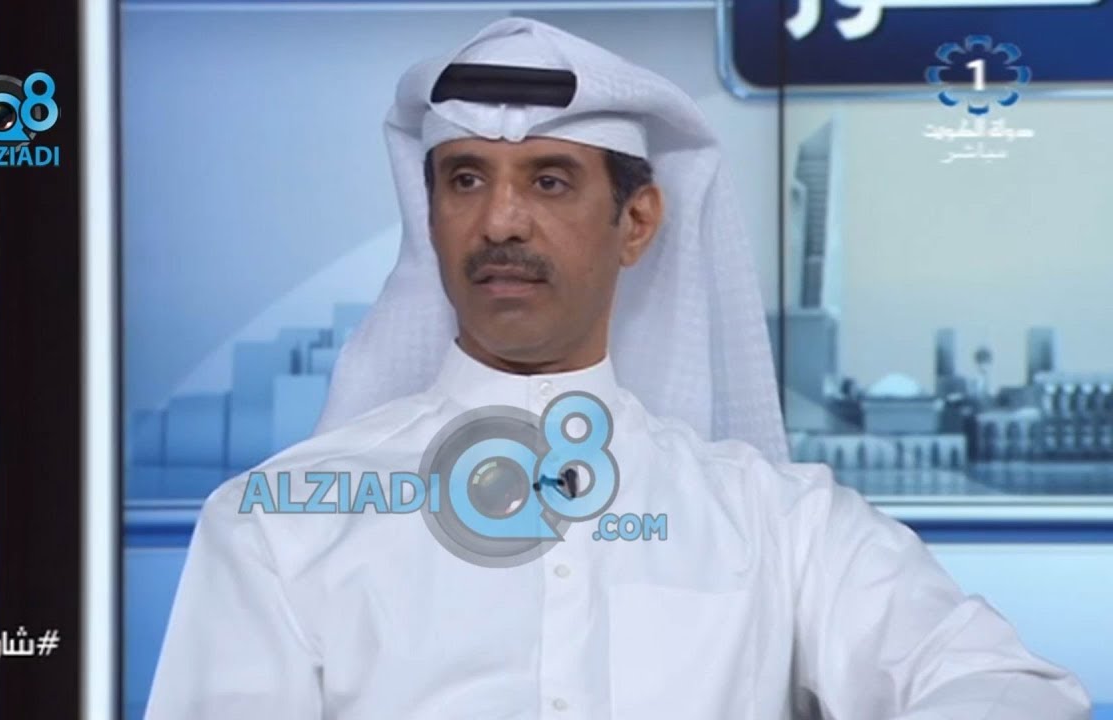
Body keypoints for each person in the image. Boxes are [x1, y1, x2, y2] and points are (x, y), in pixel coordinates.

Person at [145, 17, 1091, 719]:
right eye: (465, 179)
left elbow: (1005, 685)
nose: (500, 221)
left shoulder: (779, 522)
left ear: (636, 223)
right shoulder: (281, 524)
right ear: (429, 214)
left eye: (549, 180)